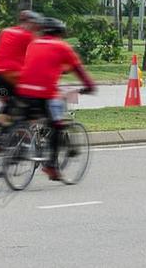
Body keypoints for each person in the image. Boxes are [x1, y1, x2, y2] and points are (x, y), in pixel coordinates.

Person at [16, 17, 96, 180]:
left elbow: (38, 65)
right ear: (60, 33)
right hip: (44, 93)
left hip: (23, 90)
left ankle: (19, 146)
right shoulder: (62, 46)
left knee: (28, 119)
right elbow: (78, 69)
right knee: (56, 125)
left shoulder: (34, 44)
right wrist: (89, 86)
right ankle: (51, 167)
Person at [0, 10, 42, 124]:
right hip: (9, 75)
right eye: (36, 26)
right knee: (29, 100)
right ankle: (22, 132)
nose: (37, 29)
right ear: (31, 23)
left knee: (10, 102)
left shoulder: (5, 31)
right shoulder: (29, 36)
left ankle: (2, 134)